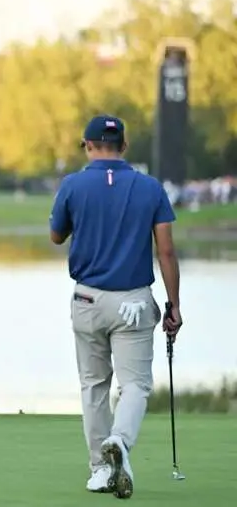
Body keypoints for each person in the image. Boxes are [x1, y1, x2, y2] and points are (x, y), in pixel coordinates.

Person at [49, 115, 183, 499]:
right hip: (134, 303)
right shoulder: (150, 188)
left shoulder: (73, 185)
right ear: (123, 147)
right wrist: (173, 306)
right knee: (136, 384)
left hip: (88, 298)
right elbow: (167, 251)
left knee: (94, 385)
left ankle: (99, 469)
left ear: (88, 145)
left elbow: (56, 236)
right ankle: (120, 442)